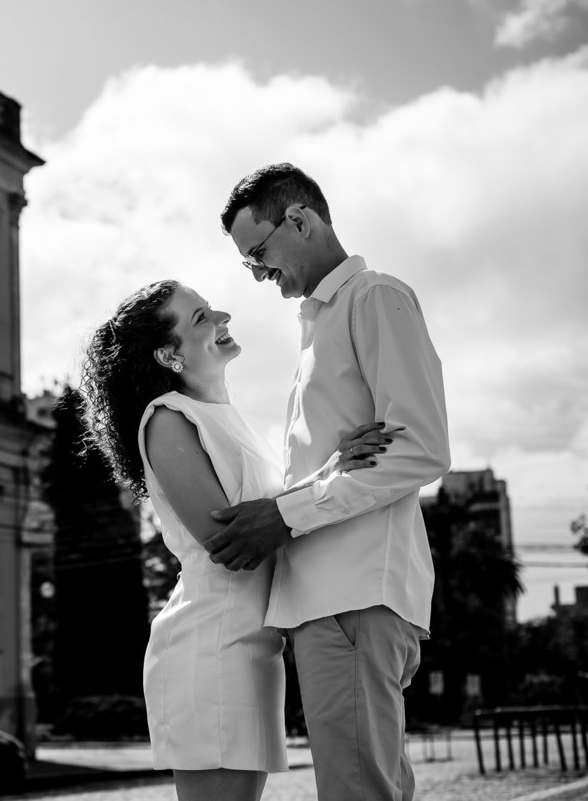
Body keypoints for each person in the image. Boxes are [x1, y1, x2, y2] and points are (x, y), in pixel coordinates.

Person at [78, 280, 393, 801]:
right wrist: (328, 478)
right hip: (211, 646)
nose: (222, 314)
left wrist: (330, 470)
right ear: (168, 353)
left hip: (252, 646)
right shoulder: (167, 418)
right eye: (200, 317)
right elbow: (231, 543)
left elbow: (273, 519)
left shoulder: (230, 419)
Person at [205, 163, 451, 801]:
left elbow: (419, 448)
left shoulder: (374, 298)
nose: (257, 272)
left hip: (352, 598)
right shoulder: (320, 326)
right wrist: (320, 478)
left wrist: (284, 514)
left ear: (300, 220)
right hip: (333, 601)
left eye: (258, 252)